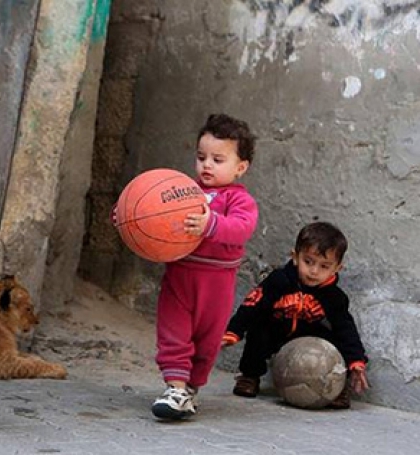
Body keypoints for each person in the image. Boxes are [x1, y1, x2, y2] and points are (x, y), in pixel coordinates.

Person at [147, 114, 259, 420]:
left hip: (217, 283)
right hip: (180, 275)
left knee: (207, 343)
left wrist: (211, 224)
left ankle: (190, 388)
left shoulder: (240, 200)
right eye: (201, 157)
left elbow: (241, 228)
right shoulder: (182, 192)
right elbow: (150, 215)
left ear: (240, 167)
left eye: (217, 159)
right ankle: (175, 387)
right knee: (173, 333)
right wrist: (129, 219)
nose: (207, 165)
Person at [222, 221, 370, 409]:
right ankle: (250, 376)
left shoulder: (334, 297)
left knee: (335, 342)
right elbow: (253, 305)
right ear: (295, 257)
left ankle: (336, 388)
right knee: (258, 330)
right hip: (277, 328)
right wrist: (233, 332)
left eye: (324, 266)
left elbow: (346, 328)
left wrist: (356, 361)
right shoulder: (279, 281)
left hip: (308, 333)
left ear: (337, 269)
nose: (314, 271)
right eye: (308, 262)